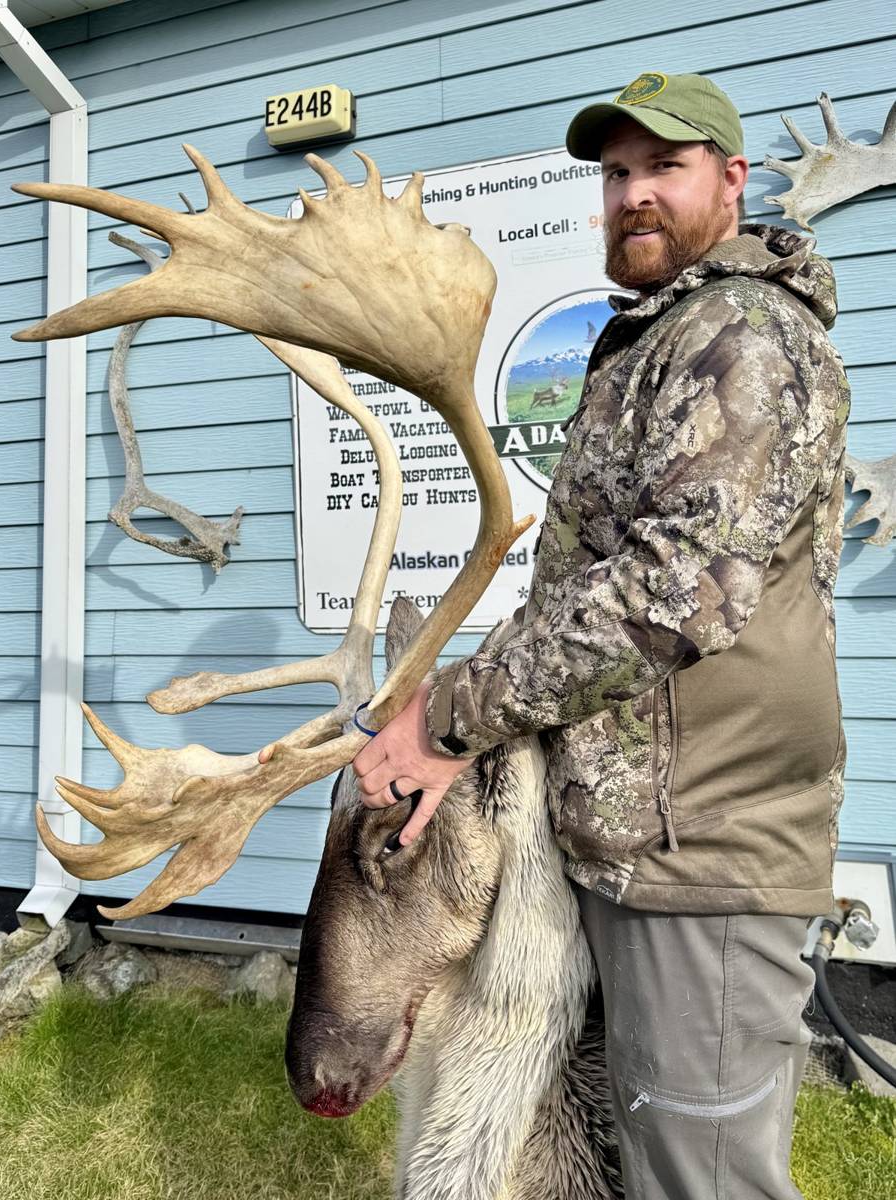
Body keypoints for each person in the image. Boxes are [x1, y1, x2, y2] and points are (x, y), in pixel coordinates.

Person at [352, 71, 851, 1199]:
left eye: (663, 167)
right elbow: (592, 587)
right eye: (618, 173)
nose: (633, 195)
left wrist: (451, 719)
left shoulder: (740, 338)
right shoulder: (660, 337)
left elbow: (676, 593)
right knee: (637, 1155)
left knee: (701, 1174)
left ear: (731, 180)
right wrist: (467, 723)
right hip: (639, 836)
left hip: (704, 845)